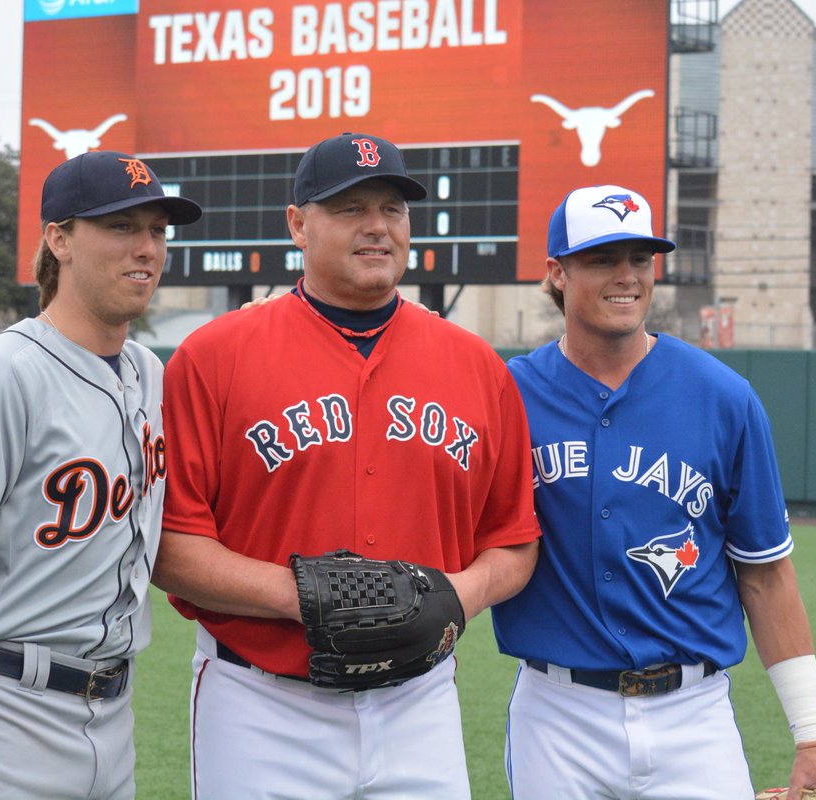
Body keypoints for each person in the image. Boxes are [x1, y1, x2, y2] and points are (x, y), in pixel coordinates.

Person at [152, 132, 541, 799]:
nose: (376, 227)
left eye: (391, 208)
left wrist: (449, 598)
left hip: (418, 704)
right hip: (260, 705)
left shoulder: (477, 367)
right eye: (349, 208)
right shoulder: (213, 357)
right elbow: (170, 547)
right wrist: (305, 598)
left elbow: (513, 541)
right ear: (299, 225)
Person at [491, 184, 816, 800]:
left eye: (641, 258)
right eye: (604, 259)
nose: (627, 276)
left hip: (694, 716)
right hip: (557, 716)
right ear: (556, 272)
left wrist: (814, 738)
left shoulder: (723, 397)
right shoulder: (508, 395)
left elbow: (766, 574)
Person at [0, 151, 202, 800]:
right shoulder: (2, 377)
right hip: (5, 713)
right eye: (121, 227)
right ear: (58, 240)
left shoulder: (151, 374)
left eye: (157, 230)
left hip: (113, 718)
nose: (146, 248)